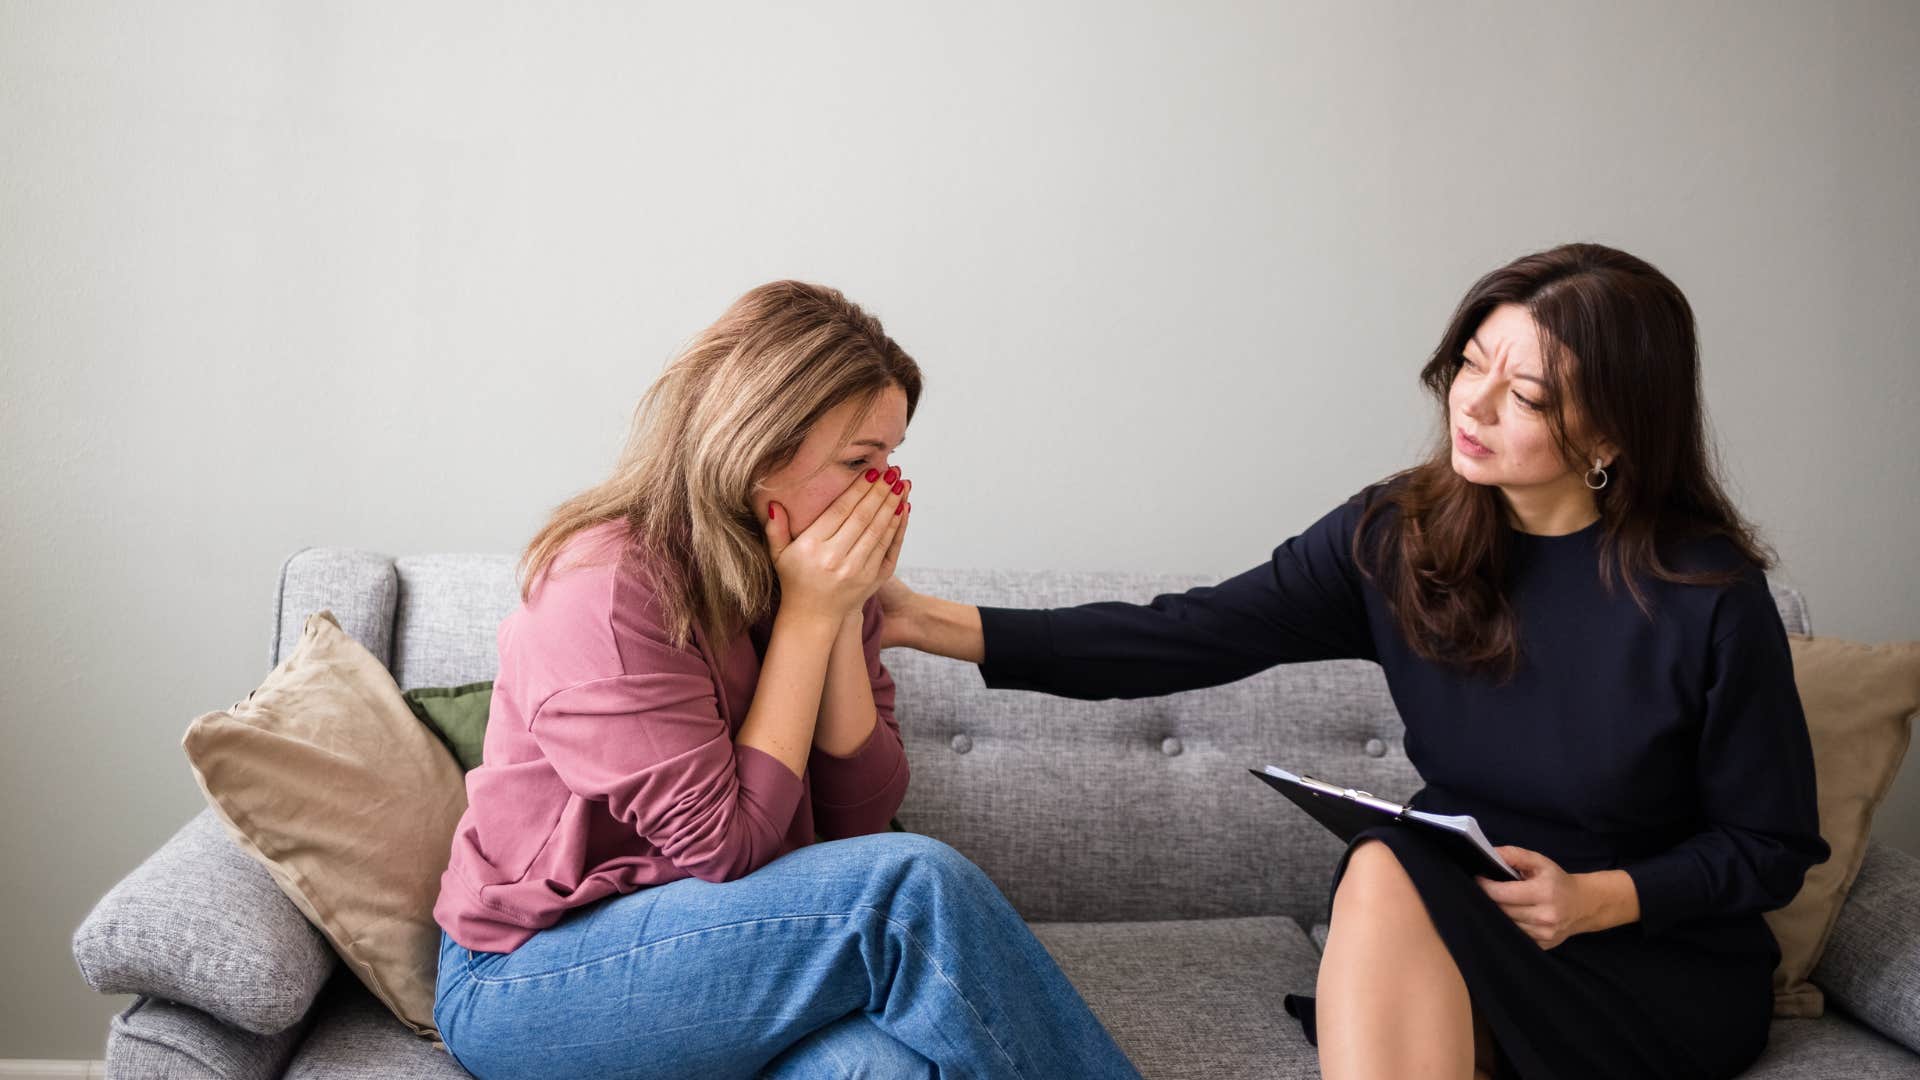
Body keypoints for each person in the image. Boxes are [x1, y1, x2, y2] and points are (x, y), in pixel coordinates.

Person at [877, 243, 1830, 1079]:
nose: (1476, 403)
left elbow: (1771, 848)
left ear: (1614, 432)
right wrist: (918, 620)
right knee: (1384, 861)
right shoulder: (1398, 537)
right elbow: (1182, 633)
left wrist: (1599, 898)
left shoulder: (1708, 596)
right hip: (1469, 919)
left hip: (1648, 959)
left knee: (1390, 895)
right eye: (1470, 364)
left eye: (1527, 395)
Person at [430, 281, 1140, 1079]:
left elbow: (857, 822)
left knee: (887, 1070)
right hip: (535, 976)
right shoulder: (605, 591)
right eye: (857, 462)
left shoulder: (808, 571)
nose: (880, 491)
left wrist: (833, 617)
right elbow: (725, 847)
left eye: (889, 463)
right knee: (909, 887)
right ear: (759, 447)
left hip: (738, 947)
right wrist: (808, 616)